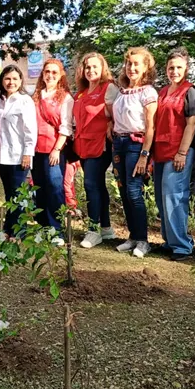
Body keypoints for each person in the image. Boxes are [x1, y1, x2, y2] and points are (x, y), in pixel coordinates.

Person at [108, 47, 158, 258]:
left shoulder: (148, 92)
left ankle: (143, 240)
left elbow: (150, 126)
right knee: (124, 191)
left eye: (137, 64)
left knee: (134, 191)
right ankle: (133, 236)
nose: (132, 68)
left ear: (146, 67)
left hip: (136, 145)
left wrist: (144, 155)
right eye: (129, 63)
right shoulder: (121, 91)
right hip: (119, 143)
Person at [152, 47, 195, 261]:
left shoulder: (191, 91)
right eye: (171, 67)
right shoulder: (162, 92)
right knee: (162, 198)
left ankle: (182, 245)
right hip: (160, 151)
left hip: (179, 150)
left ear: (186, 69)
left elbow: (192, 123)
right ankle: (169, 241)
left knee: (174, 196)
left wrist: (182, 152)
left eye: (179, 67)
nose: (174, 71)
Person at [73, 52, 117, 249]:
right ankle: (106, 228)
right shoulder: (81, 93)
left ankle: (93, 230)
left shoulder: (109, 88)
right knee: (98, 185)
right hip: (83, 145)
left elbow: (118, 115)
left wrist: (111, 125)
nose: (90, 71)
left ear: (102, 69)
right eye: (87, 67)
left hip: (101, 145)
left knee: (90, 184)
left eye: (94, 67)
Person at [31, 59, 74, 244]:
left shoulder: (66, 98)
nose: (50, 75)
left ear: (61, 75)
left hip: (54, 149)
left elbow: (66, 127)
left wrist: (57, 149)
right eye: (47, 71)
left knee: (55, 188)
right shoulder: (35, 96)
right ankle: (42, 226)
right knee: (39, 188)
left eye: (54, 72)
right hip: (35, 149)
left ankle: (57, 230)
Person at [0, 65, 37, 236]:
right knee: (9, 195)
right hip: (2, 156)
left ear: (20, 81)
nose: (10, 82)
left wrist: (28, 152)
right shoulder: (0, 101)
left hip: (19, 156)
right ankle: (9, 229)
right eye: (7, 79)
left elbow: (30, 130)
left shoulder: (25, 101)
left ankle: (20, 231)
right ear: (2, 81)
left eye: (14, 79)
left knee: (19, 196)